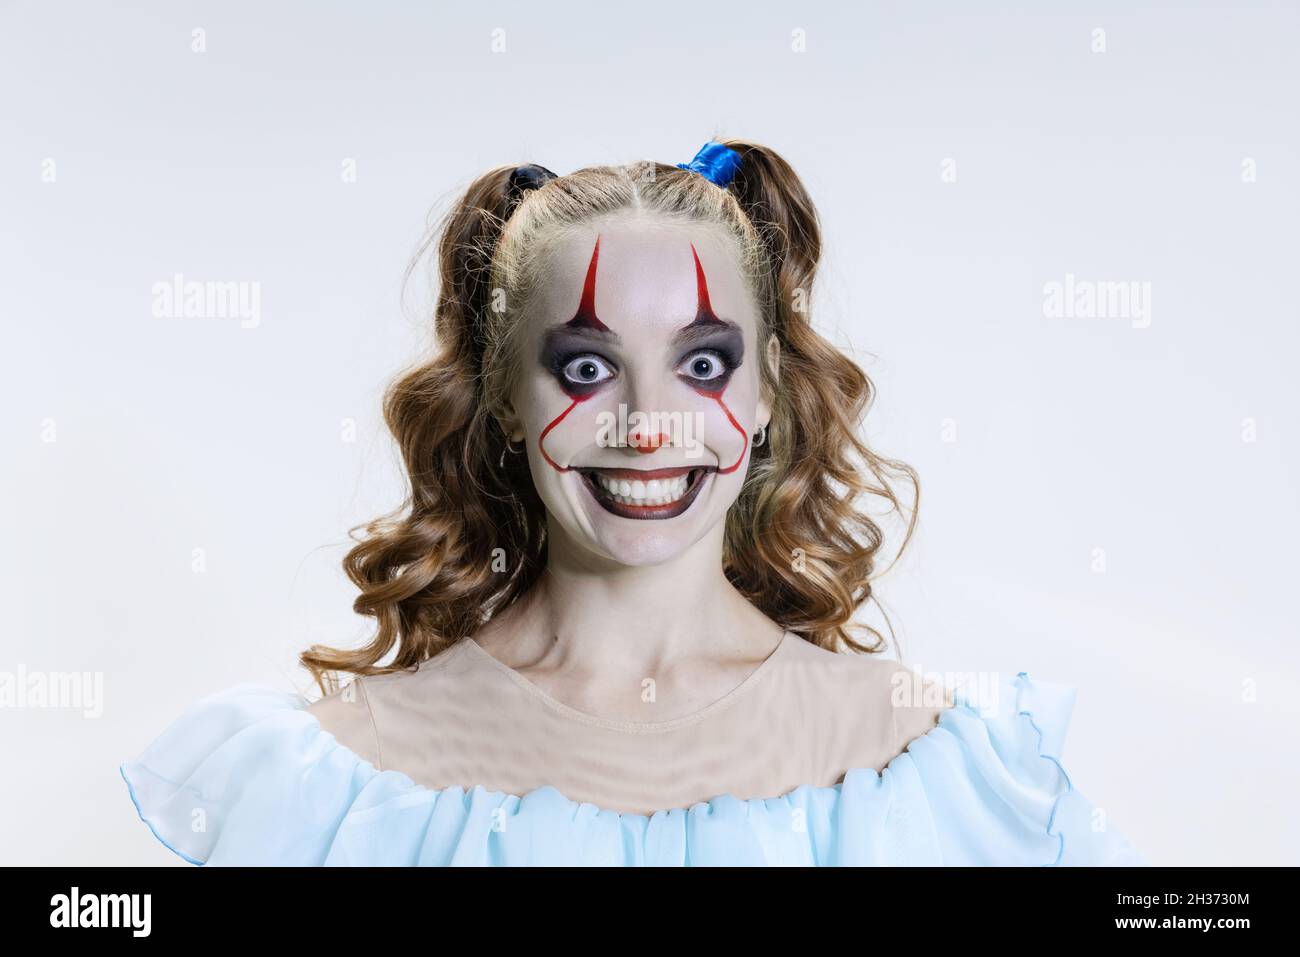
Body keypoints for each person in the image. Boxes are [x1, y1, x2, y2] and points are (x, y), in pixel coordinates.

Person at [120, 140, 1147, 866]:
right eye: (583, 369)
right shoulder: (329, 782)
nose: (648, 422)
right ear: (504, 400)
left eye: (701, 361)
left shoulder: (941, 763)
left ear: (764, 389)